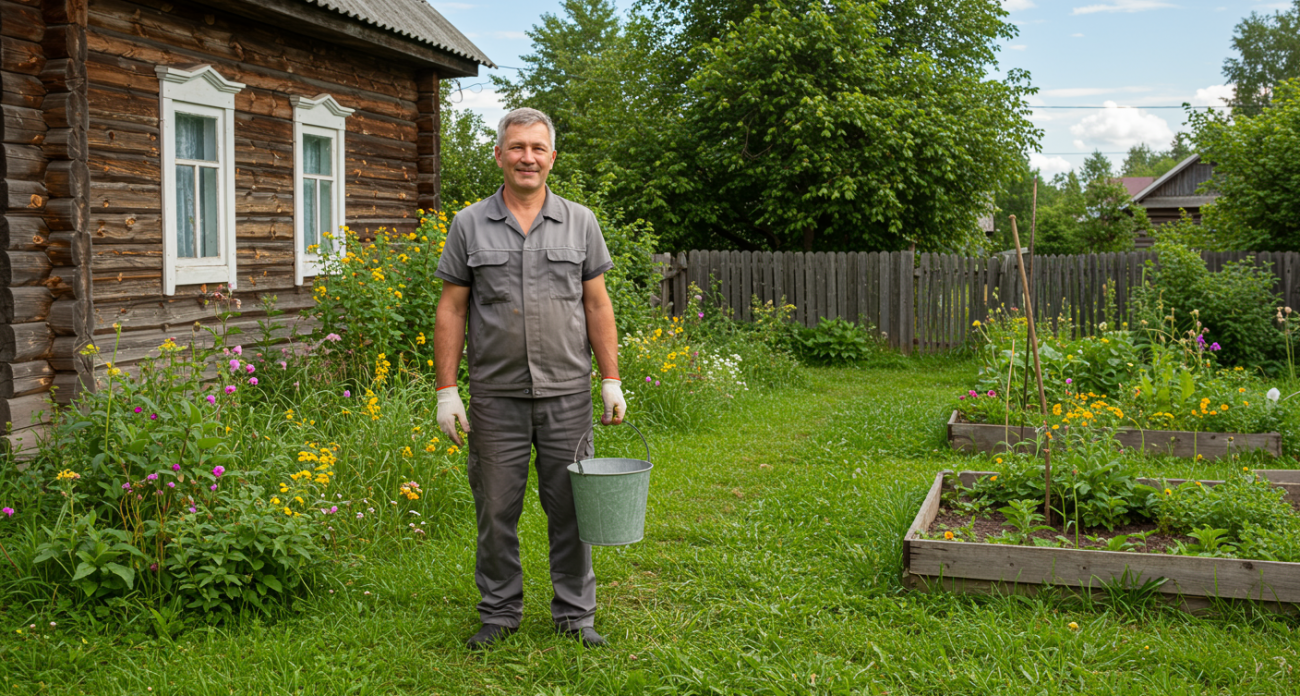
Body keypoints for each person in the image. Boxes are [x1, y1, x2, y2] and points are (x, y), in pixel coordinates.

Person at [433, 107, 626, 650]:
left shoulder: (580, 221)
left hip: (567, 394)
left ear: (552, 158)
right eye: (517, 147)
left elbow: (597, 304)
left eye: (538, 148)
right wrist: (447, 391)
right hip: (496, 398)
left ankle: (575, 616)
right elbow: (451, 309)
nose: (527, 157)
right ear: (499, 155)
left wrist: (610, 378)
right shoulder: (469, 224)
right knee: (496, 510)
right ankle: (499, 613)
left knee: (572, 510)